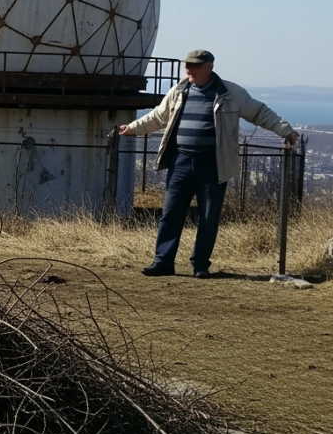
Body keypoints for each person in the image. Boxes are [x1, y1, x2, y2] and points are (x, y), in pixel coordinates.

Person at [120, 50, 298, 278]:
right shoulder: (179, 91)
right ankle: (163, 262)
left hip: (213, 163)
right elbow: (158, 116)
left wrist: (286, 131)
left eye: (195, 65)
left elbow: (260, 113)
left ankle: (200, 265)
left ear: (209, 66)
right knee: (171, 213)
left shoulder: (231, 93)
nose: (189, 69)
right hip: (181, 160)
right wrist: (132, 128)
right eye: (188, 65)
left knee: (208, 215)